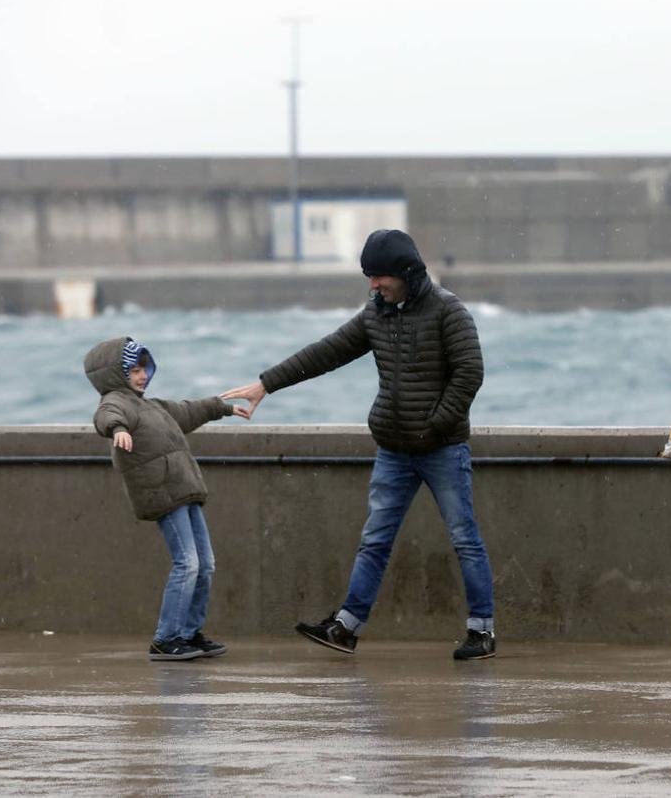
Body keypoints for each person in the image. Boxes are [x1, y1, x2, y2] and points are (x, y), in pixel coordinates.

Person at [223, 229, 496, 660]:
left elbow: (469, 374)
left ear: (406, 272)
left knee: (464, 539)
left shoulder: (449, 310)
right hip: (393, 450)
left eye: (379, 277)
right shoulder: (377, 314)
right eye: (369, 277)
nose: (373, 286)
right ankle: (345, 628)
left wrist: (434, 426)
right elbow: (325, 352)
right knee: (374, 540)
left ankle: (482, 632)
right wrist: (265, 384)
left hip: (442, 450)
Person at [84, 336, 250, 661]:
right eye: (133, 371)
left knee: (206, 565)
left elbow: (188, 411)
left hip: (184, 491)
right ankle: (165, 638)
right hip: (163, 495)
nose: (142, 375)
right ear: (116, 375)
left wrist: (221, 406)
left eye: (144, 368)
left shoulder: (152, 406)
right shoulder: (117, 402)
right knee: (187, 564)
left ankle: (189, 633)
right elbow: (105, 416)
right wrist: (118, 429)